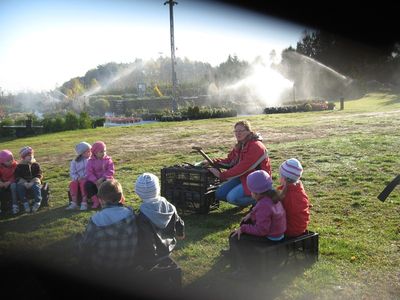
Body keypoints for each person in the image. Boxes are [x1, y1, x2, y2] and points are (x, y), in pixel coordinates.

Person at [227, 170, 286, 273]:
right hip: (278, 233)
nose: (250, 193)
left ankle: (241, 268)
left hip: (270, 238)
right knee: (245, 222)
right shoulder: (272, 196)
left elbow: (262, 230)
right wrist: (251, 213)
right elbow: (263, 212)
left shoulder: (264, 205)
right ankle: (235, 253)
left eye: (251, 191)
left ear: (257, 193)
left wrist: (244, 229)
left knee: (234, 237)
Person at [77, 179, 138, 275]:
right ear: (121, 197)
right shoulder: (131, 213)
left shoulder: (96, 220)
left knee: (80, 240)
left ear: (100, 200)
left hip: (102, 269)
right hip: (128, 265)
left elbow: (86, 247)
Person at [207, 120, 272, 207]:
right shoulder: (240, 145)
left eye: (241, 131)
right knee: (219, 194)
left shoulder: (256, 146)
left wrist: (221, 175)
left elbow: (242, 168)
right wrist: (212, 161)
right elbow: (230, 161)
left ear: (249, 132)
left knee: (232, 198)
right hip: (243, 177)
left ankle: (262, 198)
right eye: (236, 131)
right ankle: (246, 199)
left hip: (258, 180)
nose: (238, 133)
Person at [134, 173, 185, 269]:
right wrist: (180, 233)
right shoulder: (170, 206)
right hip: (168, 247)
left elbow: (147, 240)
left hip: (153, 255)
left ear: (138, 193)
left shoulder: (142, 216)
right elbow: (179, 221)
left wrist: (149, 259)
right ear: (158, 189)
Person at [277, 158, 310, 237]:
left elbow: (275, 213)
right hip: (301, 227)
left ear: (284, 178)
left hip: (289, 230)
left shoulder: (287, 195)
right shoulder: (299, 188)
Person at [84, 141, 115, 209]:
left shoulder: (108, 160)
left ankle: (106, 200)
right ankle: (96, 201)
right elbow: (89, 172)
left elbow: (110, 171)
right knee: (88, 185)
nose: (103, 153)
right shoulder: (90, 161)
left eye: (104, 151)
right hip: (94, 180)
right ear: (95, 152)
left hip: (105, 179)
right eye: (101, 152)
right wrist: (95, 180)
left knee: (107, 185)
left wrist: (103, 178)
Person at [14, 146, 43, 213]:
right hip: (24, 183)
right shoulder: (19, 166)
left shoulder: (35, 165)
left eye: (31, 155)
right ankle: (25, 203)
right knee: (20, 188)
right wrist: (24, 183)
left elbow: (39, 174)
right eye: (28, 155)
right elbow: (17, 176)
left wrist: (33, 181)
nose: (30, 156)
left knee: (36, 187)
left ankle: (38, 201)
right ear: (23, 157)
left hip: (33, 181)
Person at [67, 142, 91, 211]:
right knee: (72, 184)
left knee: (83, 184)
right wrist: (77, 178)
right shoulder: (74, 162)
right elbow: (72, 173)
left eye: (90, 151)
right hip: (77, 179)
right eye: (88, 152)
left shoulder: (90, 160)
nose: (90, 153)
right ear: (82, 153)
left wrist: (85, 177)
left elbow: (91, 171)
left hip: (87, 179)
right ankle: (74, 202)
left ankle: (84, 202)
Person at [0, 150, 18, 214]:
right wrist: (1, 183)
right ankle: (3, 207)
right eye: (8, 160)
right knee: (1, 191)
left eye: (11, 159)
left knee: (13, 187)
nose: (10, 161)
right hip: (3, 183)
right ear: (2, 162)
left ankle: (15, 205)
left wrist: (9, 182)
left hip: (12, 182)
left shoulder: (15, 165)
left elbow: (16, 175)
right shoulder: (0, 167)